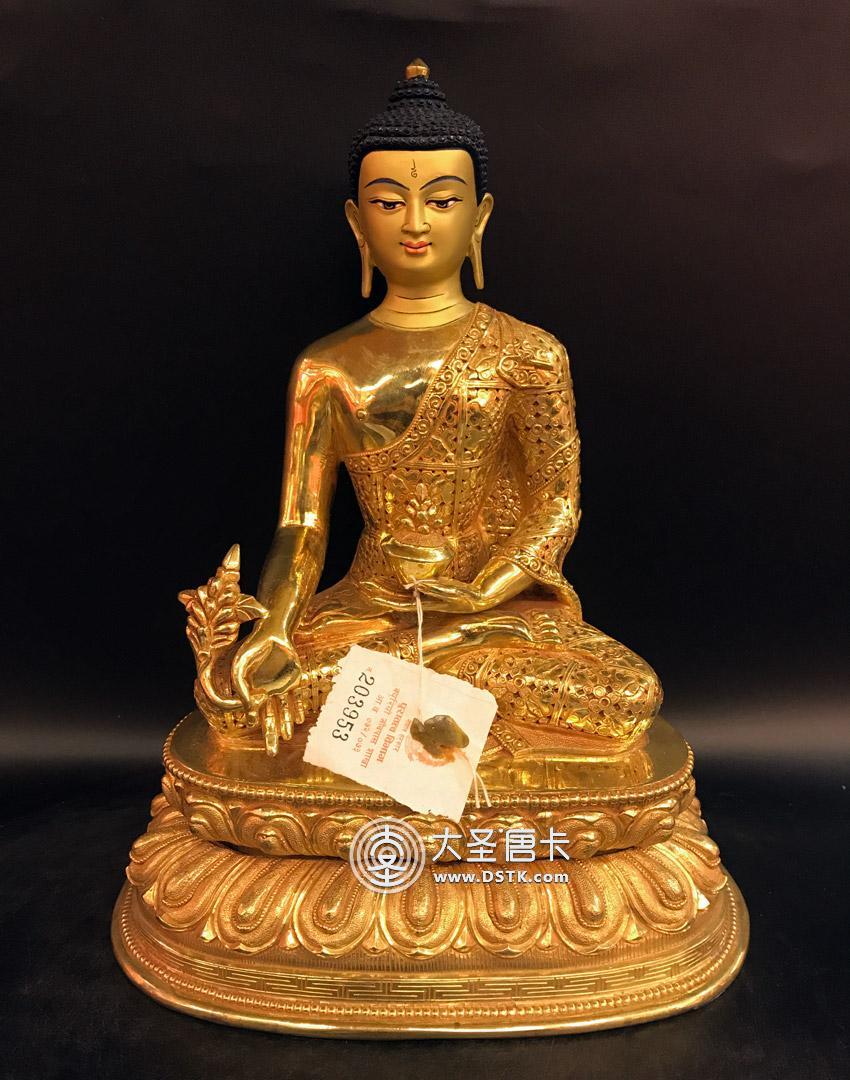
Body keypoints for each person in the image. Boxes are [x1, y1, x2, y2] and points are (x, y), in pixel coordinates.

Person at [217, 60, 662, 755]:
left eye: (444, 201)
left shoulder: (529, 353)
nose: (416, 223)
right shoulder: (326, 367)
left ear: (480, 216)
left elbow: (556, 506)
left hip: (495, 612)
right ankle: (425, 696)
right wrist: (273, 627)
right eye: (389, 202)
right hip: (372, 610)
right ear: (356, 221)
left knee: (627, 695)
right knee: (237, 695)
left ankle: (399, 693)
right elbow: (301, 526)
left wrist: (485, 594)